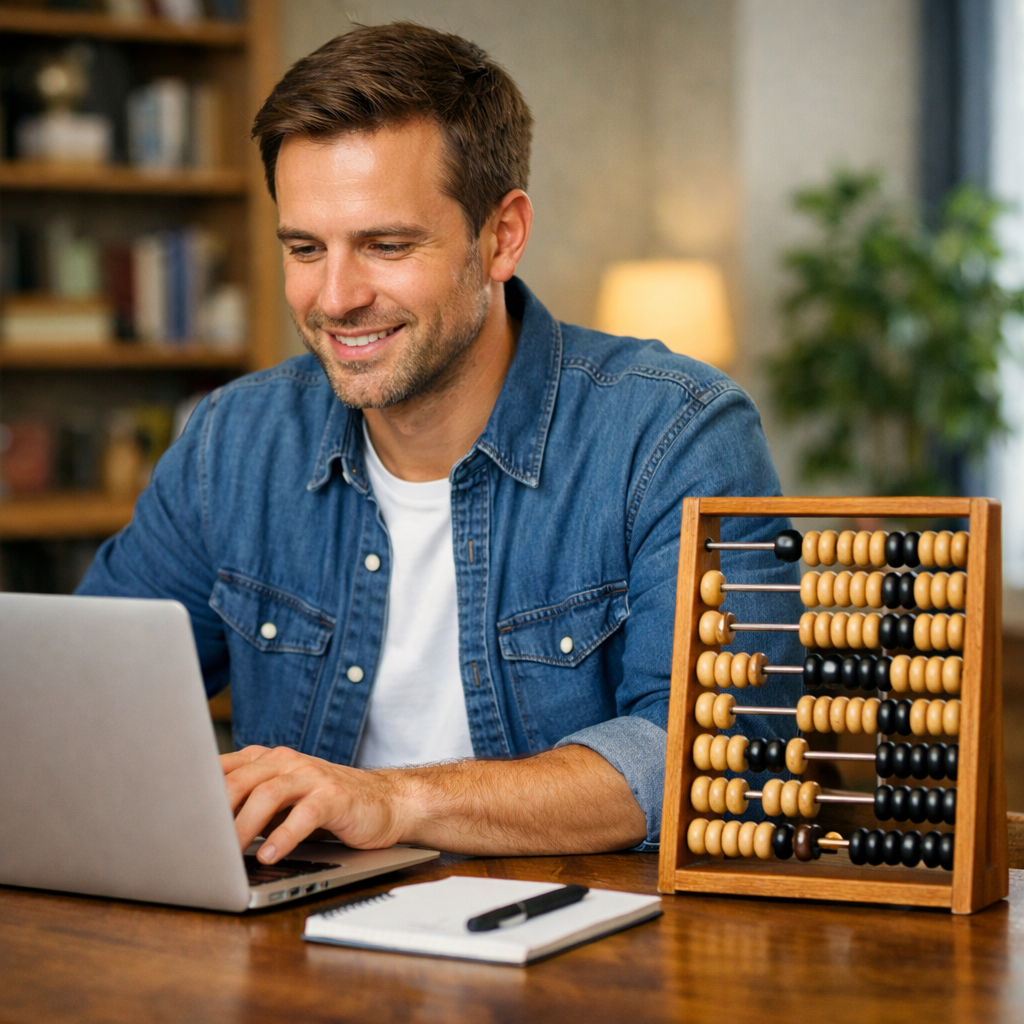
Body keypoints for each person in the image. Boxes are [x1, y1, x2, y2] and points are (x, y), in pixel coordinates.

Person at [78, 22, 801, 865]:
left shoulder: (676, 433)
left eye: (386, 246)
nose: (335, 298)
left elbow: (710, 754)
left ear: (502, 236)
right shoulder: (232, 442)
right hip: (297, 933)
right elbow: (88, 701)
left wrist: (392, 800)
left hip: (594, 935)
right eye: (305, 249)